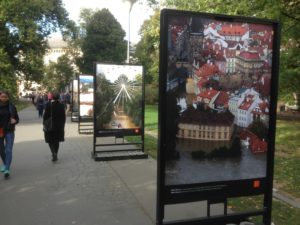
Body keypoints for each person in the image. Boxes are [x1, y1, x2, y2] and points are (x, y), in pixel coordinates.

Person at [0, 91, 19, 178]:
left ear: (8, 97)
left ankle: (7, 168)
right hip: (0, 131)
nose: (3, 98)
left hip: (9, 131)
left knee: (8, 150)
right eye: (2, 97)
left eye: (5, 97)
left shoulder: (11, 107)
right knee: (1, 150)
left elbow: (17, 119)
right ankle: (5, 164)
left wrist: (15, 121)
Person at [43, 91, 66, 161]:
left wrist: (44, 123)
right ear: (59, 97)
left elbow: (45, 116)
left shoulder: (48, 105)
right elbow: (63, 116)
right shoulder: (62, 105)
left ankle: (53, 152)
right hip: (59, 126)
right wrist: (63, 125)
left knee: (50, 140)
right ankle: (56, 153)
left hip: (50, 126)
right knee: (57, 141)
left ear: (52, 97)